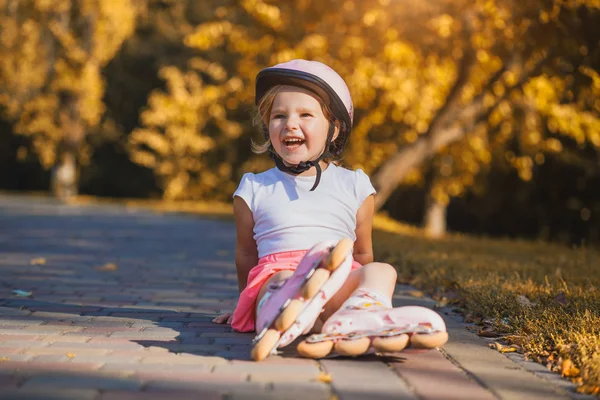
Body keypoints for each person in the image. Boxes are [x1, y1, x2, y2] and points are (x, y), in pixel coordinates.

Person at [213, 59, 447, 358]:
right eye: (278, 116)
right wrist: (242, 304)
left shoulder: (355, 185)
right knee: (282, 282)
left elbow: (362, 254)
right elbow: (246, 254)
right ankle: (290, 313)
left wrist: (354, 285)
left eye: (305, 114)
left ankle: (358, 314)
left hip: (337, 278)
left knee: (381, 270)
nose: (290, 124)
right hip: (280, 278)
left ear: (334, 130)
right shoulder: (254, 188)